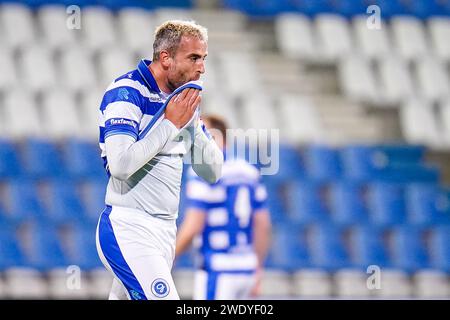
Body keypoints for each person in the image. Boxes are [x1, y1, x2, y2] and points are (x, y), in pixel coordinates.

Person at [95, 20, 223, 300]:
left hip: (165, 230)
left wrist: (189, 125)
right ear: (165, 58)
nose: (201, 68)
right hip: (129, 227)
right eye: (193, 58)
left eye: (203, 59)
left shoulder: (182, 101)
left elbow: (213, 171)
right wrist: (171, 125)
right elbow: (120, 166)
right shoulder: (126, 92)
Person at [175, 115, 272, 300]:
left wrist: (170, 256)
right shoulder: (249, 171)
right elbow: (263, 224)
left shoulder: (203, 170)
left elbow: (194, 224)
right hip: (246, 268)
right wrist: (258, 268)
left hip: (218, 268)